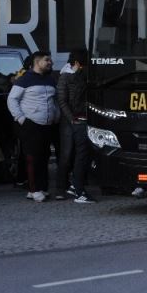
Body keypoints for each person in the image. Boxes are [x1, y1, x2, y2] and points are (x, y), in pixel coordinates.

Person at [7, 51, 59, 203]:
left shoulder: (50, 79)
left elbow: (54, 100)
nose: (50, 62)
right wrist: (21, 119)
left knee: (44, 157)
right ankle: (33, 189)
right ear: (37, 62)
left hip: (48, 125)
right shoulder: (24, 80)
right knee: (32, 158)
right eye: (47, 60)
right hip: (31, 124)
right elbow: (12, 100)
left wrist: (56, 115)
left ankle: (41, 187)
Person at [56, 49, 94, 204]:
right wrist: (72, 119)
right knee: (71, 155)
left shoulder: (79, 77)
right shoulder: (67, 77)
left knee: (79, 154)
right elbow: (63, 100)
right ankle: (72, 188)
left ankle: (74, 186)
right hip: (74, 120)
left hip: (77, 120)